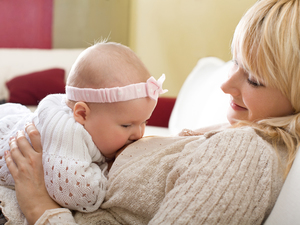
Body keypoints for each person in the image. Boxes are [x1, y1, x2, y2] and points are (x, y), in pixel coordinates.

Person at [4, 0, 300, 224]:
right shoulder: (235, 131)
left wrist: (41, 209)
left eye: (253, 79)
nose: (225, 84)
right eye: (235, 62)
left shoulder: (245, 153)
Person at [0, 42, 166, 212]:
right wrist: (107, 169)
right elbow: (77, 194)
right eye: (126, 125)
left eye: (144, 122)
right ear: (82, 114)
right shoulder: (68, 132)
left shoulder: (93, 126)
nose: (139, 134)